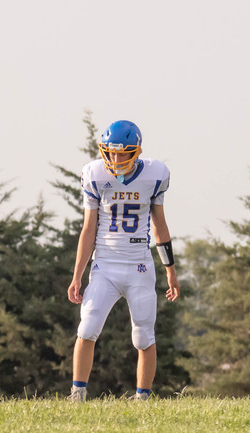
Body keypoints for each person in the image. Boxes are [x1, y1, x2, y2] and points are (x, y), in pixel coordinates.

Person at [67, 120, 180, 401]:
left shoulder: (154, 175)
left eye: (123, 153)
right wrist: (77, 275)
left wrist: (170, 271)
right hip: (104, 265)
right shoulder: (94, 174)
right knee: (87, 327)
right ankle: (77, 393)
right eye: (111, 152)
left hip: (139, 266)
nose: (116, 159)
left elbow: (160, 227)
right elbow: (88, 229)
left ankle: (142, 397)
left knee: (143, 335)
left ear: (137, 152)